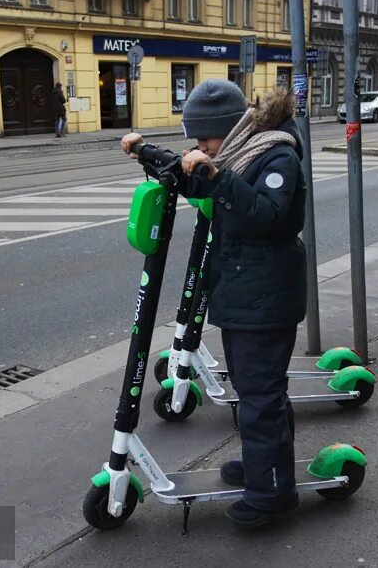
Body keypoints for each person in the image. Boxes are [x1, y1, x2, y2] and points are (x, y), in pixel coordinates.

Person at [121, 80, 306, 528]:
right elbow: (198, 181)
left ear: (229, 129)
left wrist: (218, 176)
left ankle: (272, 492)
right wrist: (148, 153)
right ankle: (265, 466)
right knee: (255, 389)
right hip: (248, 293)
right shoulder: (236, 154)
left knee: (262, 395)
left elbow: (266, 215)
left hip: (265, 297)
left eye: (204, 139)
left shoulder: (277, 154)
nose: (200, 147)